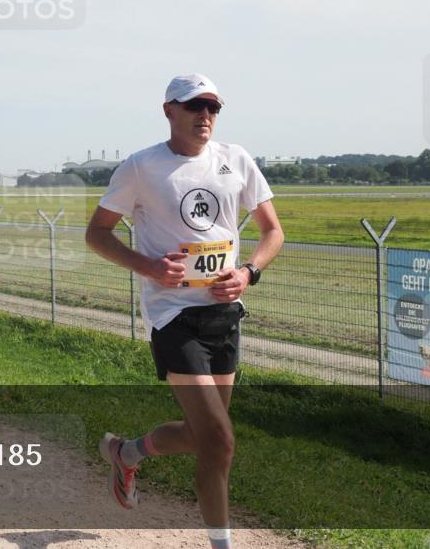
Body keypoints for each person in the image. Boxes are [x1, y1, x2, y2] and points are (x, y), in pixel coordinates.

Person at [86, 73, 284, 549]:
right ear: (169, 110)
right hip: (174, 317)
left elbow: (272, 232)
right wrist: (149, 267)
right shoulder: (141, 167)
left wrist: (249, 273)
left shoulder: (236, 160)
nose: (206, 116)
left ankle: (125, 453)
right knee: (220, 440)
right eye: (195, 106)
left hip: (224, 315)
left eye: (213, 108)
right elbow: (97, 233)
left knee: (204, 438)